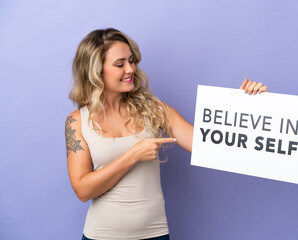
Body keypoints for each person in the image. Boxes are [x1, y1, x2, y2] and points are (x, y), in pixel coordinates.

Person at [65, 28, 267, 240]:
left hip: (155, 234)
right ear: (95, 71)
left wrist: (246, 105)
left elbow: (206, 144)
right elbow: (83, 190)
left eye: (132, 61)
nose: (131, 69)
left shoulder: (152, 109)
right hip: (100, 236)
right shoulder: (77, 121)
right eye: (120, 64)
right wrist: (133, 155)